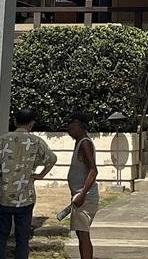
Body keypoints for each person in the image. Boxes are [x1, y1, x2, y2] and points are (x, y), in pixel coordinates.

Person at [0, 108, 57, 259]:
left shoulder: (3, 140)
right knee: (22, 238)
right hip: (25, 196)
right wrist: (40, 175)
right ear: (31, 124)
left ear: (14, 121)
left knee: (0, 237)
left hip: (3, 195)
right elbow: (52, 158)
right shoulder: (36, 142)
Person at [63, 111, 100, 259]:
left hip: (84, 196)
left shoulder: (85, 143)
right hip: (79, 195)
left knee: (83, 234)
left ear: (78, 125)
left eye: (70, 125)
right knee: (80, 233)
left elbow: (93, 170)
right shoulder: (79, 142)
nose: (68, 129)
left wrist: (82, 194)